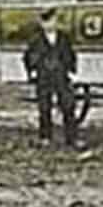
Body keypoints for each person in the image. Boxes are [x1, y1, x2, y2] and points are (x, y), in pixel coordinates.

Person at [21, 8, 84, 149]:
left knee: (68, 106)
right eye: (47, 21)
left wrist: (71, 70)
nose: (50, 24)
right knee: (44, 108)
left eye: (53, 21)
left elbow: (70, 54)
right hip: (44, 77)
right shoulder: (36, 40)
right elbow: (27, 57)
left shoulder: (63, 37)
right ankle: (45, 137)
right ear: (42, 24)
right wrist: (32, 71)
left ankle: (72, 138)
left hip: (61, 76)